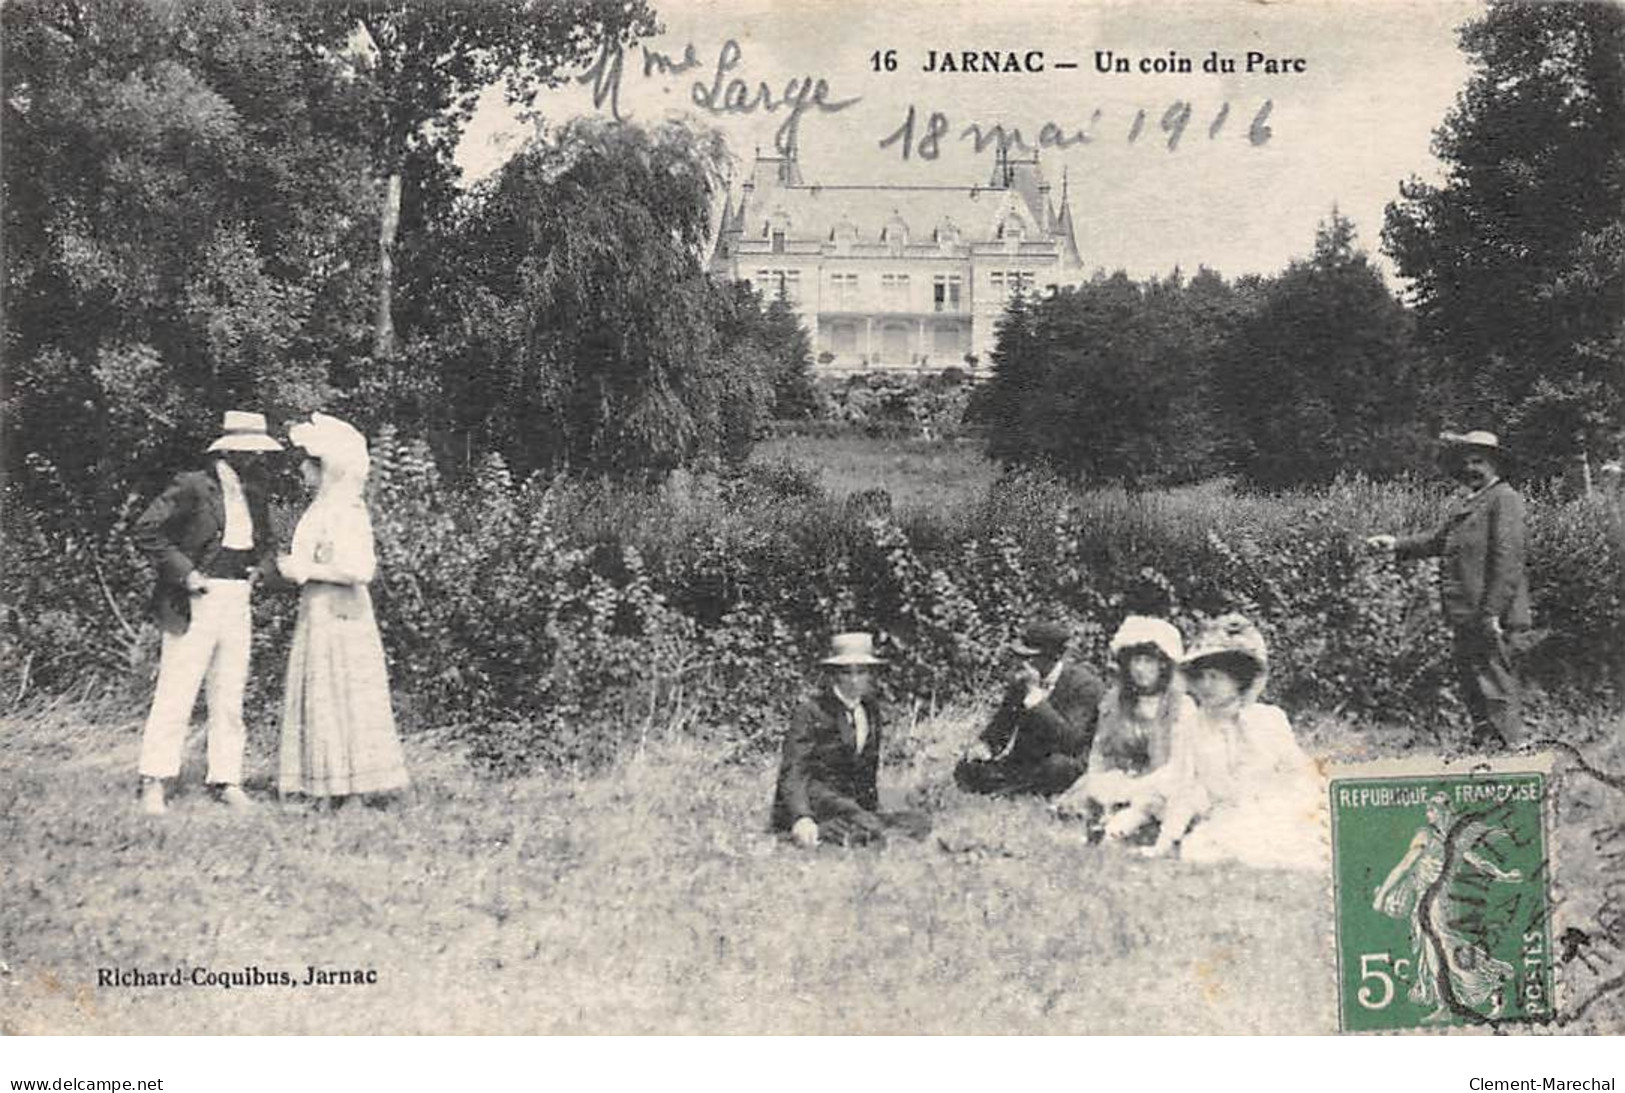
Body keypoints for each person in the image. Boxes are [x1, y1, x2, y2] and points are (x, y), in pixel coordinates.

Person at [132, 410, 283, 815]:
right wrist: (187, 575)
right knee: (177, 691)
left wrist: (259, 571)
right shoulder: (193, 485)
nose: (255, 459)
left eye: (258, 452)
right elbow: (147, 529)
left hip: (237, 598)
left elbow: (267, 542)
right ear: (229, 448)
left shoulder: (255, 490)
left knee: (230, 693)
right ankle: (155, 779)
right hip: (196, 598)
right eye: (248, 451)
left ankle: (227, 778)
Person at [276, 412, 409, 804]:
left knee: (342, 691)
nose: (301, 469)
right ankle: (325, 784)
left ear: (326, 468)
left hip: (342, 614)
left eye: (308, 462)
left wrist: (304, 569)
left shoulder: (347, 510)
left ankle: (350, 787)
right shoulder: (321, 508)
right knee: (322, 692)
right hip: (319, 611)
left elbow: (359, 569)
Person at [1367, 430, 1529, 749]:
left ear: (1495, 464)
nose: (1471, 468)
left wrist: (1493, 612)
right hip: (1468, 614)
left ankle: (1510, 760)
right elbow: (1437, 542)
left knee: (1496, 688)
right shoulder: (1471, 504)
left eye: (1478, 461)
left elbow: (1508, 561)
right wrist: (1395, 544)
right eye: (1466, 462)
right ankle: (1486, 752)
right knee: (1474, 685)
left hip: (1491, 615)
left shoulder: (1504, 499)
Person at [1143, 614, 1326, 871]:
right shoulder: (1191, 727)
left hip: (1277, 813)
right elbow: (1183, 789)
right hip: (1225, 819)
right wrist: (1164, 843)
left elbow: (1300, 778)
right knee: (1201, 850)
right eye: (1201, 677)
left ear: (1238, 679)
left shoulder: (1269, 720)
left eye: (1215, 677)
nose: (1206, 685)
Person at [1372, 792, 1522, 1022]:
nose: (1428, 814)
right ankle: (1449, 1001)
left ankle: (1491, 982)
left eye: (1432, 809)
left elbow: (1404, 866)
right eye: (1428, 810)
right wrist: (1504, 875)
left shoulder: (1429, 836)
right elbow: (1479, 862)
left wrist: (1381, 896)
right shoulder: (1451, 839)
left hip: (1434, 903)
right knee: (1436, 951)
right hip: (1436, 901)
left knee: (1445, 950)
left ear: (1443, 811)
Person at [771, 633, 931, 848]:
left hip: (853, 805)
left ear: (870, 674)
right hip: (819, 800)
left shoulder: (870, 710)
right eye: (847, 672)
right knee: (867, 825)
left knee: (920, 821)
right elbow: (794, 769)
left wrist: (871, 808)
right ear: (834, 675)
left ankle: (854, 831)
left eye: (861, 672)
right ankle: (809, 833)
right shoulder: (812, 711)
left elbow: (867, 770)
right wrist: (802, 816)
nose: (855, 680)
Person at [1055, 615, 1196, 840]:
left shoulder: (1181, 706)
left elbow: (1179, 764)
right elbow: (1100, 753)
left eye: (1148, 661)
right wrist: (1102, 780)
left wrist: (1140, 786)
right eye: (1135, 661)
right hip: (1120, 778)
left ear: (1163, 665)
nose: (1140, 669)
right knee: (1096, 792)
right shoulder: (1115, 701)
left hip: (1163, 781)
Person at [954, 619, 1103, 798]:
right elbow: (1000, 729)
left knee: (1057, 767)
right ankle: (1017, 788)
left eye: (1029, 658)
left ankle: (1014, 790)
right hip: (1027, 763)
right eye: (1019, 657)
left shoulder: (1085, 685)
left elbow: (1071, 741)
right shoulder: (1022, 681)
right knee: (968, 767)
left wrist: (1036, 699)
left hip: (1068, 762)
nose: (1022, 663)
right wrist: (984, 746)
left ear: (1053, 657)